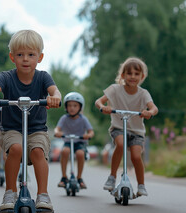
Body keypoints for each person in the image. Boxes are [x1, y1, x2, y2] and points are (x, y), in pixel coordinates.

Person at [0, 29, 61, 211]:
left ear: (39, 57)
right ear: (12, 57)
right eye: (20, 54)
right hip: (11, 129)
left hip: (37, 129)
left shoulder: (43, 77)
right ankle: (10, 191)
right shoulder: (6, 77)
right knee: (16, 149)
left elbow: (55, 91)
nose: (25, 59)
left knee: (37, 152)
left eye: (31, 54)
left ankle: (43, 194)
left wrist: (55, 97)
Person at [95, 57, 158, 196]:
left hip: (137, 131)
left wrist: (149, 112)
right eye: (129, 73)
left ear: (142, 76)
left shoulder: (143, 93)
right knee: (120, 143)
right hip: (118, 127)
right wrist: (103, 107)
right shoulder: (115, 89)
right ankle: (112, 177)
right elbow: (98, 101)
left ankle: (141, 184)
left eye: (136, 74)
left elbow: (154, 108)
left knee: (136, 156)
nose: (133, 77)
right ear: (123, 75)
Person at [54, 92, 94, 190]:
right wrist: (57, 132)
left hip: (80, 142)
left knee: (80, 153)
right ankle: (64, 177)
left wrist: (88, 135)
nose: (72, 108)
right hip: (68, 141)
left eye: (75, 106)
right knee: (65, 151)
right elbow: (57, 129)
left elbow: (91, 131)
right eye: (69, 105)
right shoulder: (64, 118)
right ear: (66, 107)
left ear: (80, 107)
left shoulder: (83, 119)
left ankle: (79, 177)